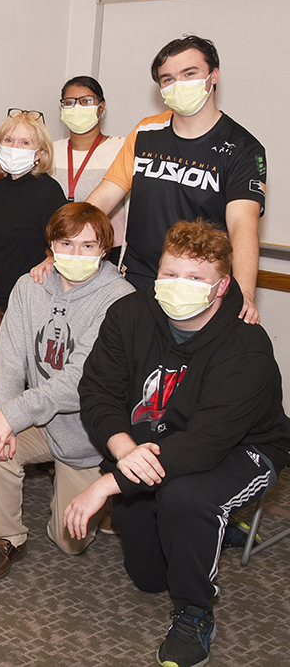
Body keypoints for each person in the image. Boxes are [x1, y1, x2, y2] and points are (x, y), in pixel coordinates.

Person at [66, 220, 290, 667]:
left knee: (187, 498)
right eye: (170, 274)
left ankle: (194, 613)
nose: (177, 286)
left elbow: (204, 446)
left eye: (195, 279)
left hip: (242, 447)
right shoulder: (129, 315)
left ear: (222, 286)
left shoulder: (246, 348)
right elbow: (97, 391)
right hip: (154, 444)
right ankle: (212, 529)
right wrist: (123, 449)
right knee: (148, 577)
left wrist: (107, 485)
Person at [0, 203, 133, 580]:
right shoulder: (30, 286)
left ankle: (100, 494)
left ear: (104, 249)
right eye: (66, 243)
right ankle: (6, 537)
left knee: (69, 541)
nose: (76, 255)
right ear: (51, 246)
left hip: (89, 430)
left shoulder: (120, 298)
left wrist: (12, 415)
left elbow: (80, 382)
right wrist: (3, 420)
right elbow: (9, 361)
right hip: (39, 417)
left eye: (88, 246)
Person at [84, 35, 264, 324]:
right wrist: (60, 249)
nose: (177, 84)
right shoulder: (145, 131)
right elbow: (104, 196)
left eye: (189, 74)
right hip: (138, 279)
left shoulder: (242, 148)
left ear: (213, 75)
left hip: (198, 286)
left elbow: (243, 224)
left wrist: (244, 296)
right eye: (167, 79)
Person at [0, 109, 66, 311]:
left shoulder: (49, 192)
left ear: (40, 153)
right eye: (9, 140)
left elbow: (64, 243)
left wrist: (51, 258)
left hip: (25, 301)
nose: (15, 148)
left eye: (25, 143)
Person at [50, 75, 126, 264]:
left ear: (101, 107)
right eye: (69, 102)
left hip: (106, 250)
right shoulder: (50, 151)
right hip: (59, 248)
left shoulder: (121, 148)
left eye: (86, 101)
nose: (77, 108)